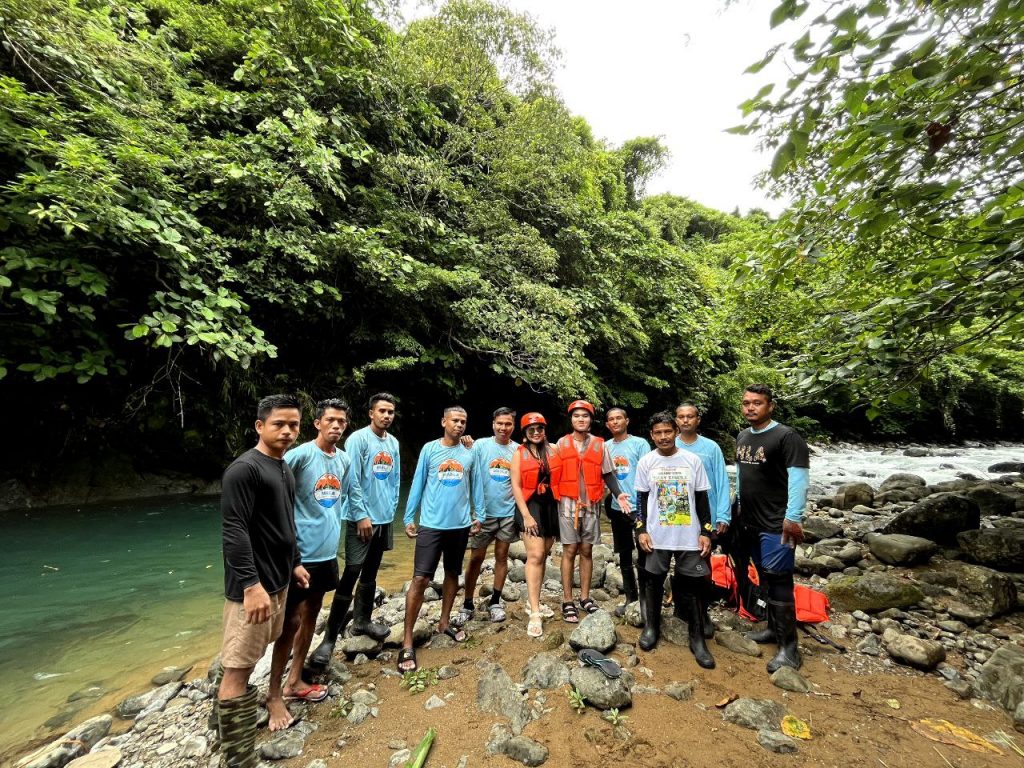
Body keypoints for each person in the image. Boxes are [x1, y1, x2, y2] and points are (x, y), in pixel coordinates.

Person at [217, 394, 308, 766]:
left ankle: (219, 722)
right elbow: (233, 531)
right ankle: (239, 758)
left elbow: (284, 522)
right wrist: (251, 586)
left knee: (251, 655)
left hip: (279, 579)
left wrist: (296, 563)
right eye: (279, 425)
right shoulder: (244, 469)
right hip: (253, 589)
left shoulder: (283, 467)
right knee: (239, 668)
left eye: (294, 425)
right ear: (259, 426)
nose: (287, 432)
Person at [264, 399, 350, 729]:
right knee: (290, 622)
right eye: (330, 420)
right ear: (317, 423)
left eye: (341, 421)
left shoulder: (342, 460)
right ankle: (274, 692)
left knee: (313, 613)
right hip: (299, 556)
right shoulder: (299, 455)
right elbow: (279, 499)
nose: (336, 426)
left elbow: (337, 501)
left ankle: (295, 679)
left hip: (327, 553)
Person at [309, 393, 398, 667]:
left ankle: (362, 621)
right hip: (360, 519)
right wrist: (362, 516)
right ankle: (329, 640)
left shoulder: (393, 442)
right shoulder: (358, 439)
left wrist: (391, 511)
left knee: (371, 572)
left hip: (384, 519)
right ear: (371, 413)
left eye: (391, 412)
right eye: (381, 411)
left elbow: (394, 480)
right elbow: (353, 481)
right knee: (351, 572)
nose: (386, 416)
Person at [733, 384, 810, 673]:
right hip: (750, 520)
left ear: (770, 406)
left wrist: (793, 517)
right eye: (746, 403)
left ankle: (789, 648)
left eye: (757, 403)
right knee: (764, 575)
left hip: (777, 523)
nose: (750, 408)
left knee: (779, 580)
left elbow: (799, 479)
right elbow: (741, 475)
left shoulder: (787, 437)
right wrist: (737, 506)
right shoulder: (742, 436)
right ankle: (771, 629)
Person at [633, 411, 715, 668]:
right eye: (657, 433)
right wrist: (641, 529)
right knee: (654, 581)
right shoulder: (646, 462)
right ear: (651, 435)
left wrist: (706, 532)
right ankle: (651, 628)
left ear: (676, 432)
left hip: (688, 536)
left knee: (693, 585)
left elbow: (702, 500)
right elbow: (641, 500)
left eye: (668, 431)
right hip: (657, 535)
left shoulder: (692, 461)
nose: (663, 437)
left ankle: (697, 637)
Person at [399, 406, 476, 672]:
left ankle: (444, 622)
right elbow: (418, 483)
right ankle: (407, 640)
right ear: (443, 421)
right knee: (421, 578)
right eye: (455, 420)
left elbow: (474, 485)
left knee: (454, 574)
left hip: (461, 525)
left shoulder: (469, 451)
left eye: (463, 421)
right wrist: (409, 517)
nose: (459, 425)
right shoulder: (430, 449)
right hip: (431, 525)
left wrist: (480, 513)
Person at [549, 399, 632, 623]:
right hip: (567, 505)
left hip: (592, 505)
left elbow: (608, 474)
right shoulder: (561, 443)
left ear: (590, 420)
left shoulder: (600, 445)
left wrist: (619, 494)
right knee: (569, 551)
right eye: (576, 416)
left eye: (585, 416)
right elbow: (550, 471)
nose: (581, 419)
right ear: (571, 419)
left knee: (586, 550)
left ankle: (585, 598)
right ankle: (567, 600)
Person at [674, 401, 731, 637]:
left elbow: (722, 480)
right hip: (677, 515)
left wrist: (723, 515)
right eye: (681, 416)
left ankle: (702, 610)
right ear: (676, 420)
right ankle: (680, 607)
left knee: (703, 564)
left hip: (706, 515)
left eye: (690, 416)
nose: (686, 420)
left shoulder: (711, 448)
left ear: (698, 420)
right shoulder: (668, 443)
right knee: (678, 561)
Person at [459, 407, 520, 625]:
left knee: (502, 556)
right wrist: (464, 443)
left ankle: (495, 600)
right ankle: (467, 602)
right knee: (476, 558)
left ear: (514, 426)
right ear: (493, 424)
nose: (504, 428)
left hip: (508, 512)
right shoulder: (480, 446)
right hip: (483, 513)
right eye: (500, 424)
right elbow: (462, 465)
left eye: (508, 424)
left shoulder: (518, 450)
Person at [510, 412, 558, 637]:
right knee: (536, 555)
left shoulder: (553, 450)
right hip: (530, 507)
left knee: (544, 555)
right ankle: (535, 613)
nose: (536, 432)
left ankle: (533, 602)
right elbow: (516, 486)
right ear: (525, 434)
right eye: (532, 430)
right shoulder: (519, 454)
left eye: (540, 428)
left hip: (551, 507)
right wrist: (526, 516)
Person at [603, 407, 650, 617]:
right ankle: (631, 598)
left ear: (627, 421)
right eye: (611, 419)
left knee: (644, 553)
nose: (615, 422)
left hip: (638, 507)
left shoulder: (640, 444)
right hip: (615, 507)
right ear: (607, 425)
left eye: (618, 418)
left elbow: (649, 473)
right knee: (623, 553)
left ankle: (647, 599)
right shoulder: (604, 447)